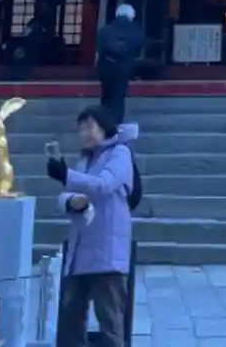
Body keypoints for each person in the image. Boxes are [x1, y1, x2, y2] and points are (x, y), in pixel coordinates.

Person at [46, 105, 138, 347]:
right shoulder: (85, 160)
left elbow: (104, 185)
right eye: (81, 129)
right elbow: (65, 195)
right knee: (69, 318)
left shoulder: (120, 154)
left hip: (107, 250)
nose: (85, 133)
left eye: (90, 127)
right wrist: (70, 201)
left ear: (104, 128)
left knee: (109, 319)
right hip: (79, 250)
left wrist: (66, 175)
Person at [94, 3, 144, 121]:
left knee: (106, 94)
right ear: (131, 16)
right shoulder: (135, 30)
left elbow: (99, 46)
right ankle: (116, 120)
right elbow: (139, 46)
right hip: (123, 67)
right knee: (118, 96)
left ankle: (104, 118)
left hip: (106, 66)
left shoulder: (106, 29)